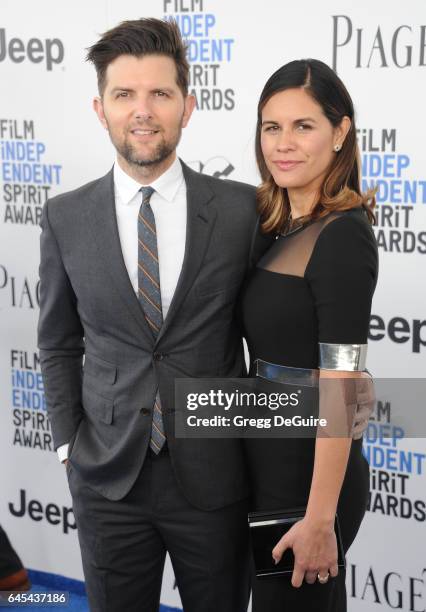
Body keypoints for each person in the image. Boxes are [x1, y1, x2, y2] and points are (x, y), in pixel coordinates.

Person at [37, 18, 261, 612]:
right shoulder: (65, 216)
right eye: (124, 95)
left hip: (215, 476)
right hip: (107, 478)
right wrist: (67, 446)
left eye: (160, 94)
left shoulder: (243, 211)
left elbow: (270, 339)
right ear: (100, 108)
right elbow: (58, 342)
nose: (143, 111)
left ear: (188, 106)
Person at [241, 59, 378, 611]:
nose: (284, 144)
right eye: (272, 127)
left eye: (304, 126)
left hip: (307, 481)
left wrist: (319, 519)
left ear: (340, 131)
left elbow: (340, 386)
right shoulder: (275, 224)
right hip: (260, 454)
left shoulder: (342, 236)